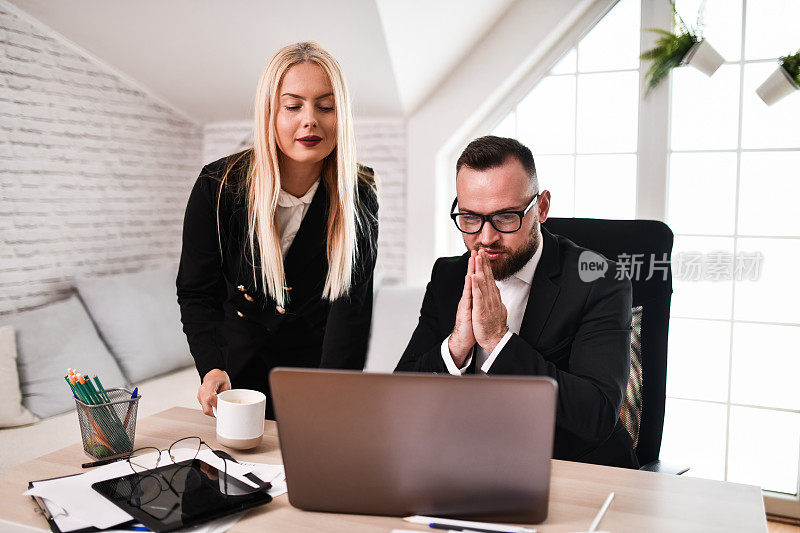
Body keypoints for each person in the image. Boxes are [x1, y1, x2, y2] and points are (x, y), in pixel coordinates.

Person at [395, 136, 637, 468]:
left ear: (542, 207)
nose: (485, 237)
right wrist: (455, 348)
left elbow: (596, 414)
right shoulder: (448, 276)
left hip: (569, 471)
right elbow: (399, 397)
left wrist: (499, 341)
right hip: (465, 466)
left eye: (506, 217)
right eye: (469, 218)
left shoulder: (599, 282)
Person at [177, 41, 378, 420]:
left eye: (326, 106)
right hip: (237, 369)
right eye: (293, 105)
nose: (310, 120)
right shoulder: (217, 186)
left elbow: (351, 308)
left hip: (317, 369)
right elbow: (196, 291)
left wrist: (337, 393)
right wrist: (212, 367)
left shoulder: (360, 191)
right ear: (270, 111)